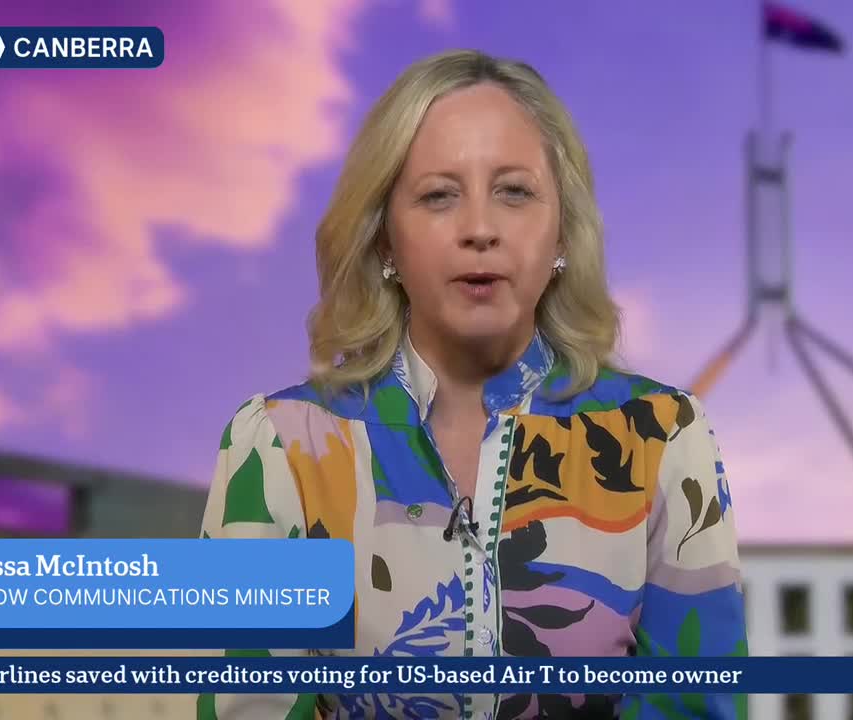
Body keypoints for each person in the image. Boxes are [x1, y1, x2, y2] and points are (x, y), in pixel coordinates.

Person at [197, 49, 747, 720]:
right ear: (385, 243)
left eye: (514, 192)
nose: (480, 230)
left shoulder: (664, 438)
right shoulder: (276, 448)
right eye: (438, 195)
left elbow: (699, 706)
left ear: (562, 233)